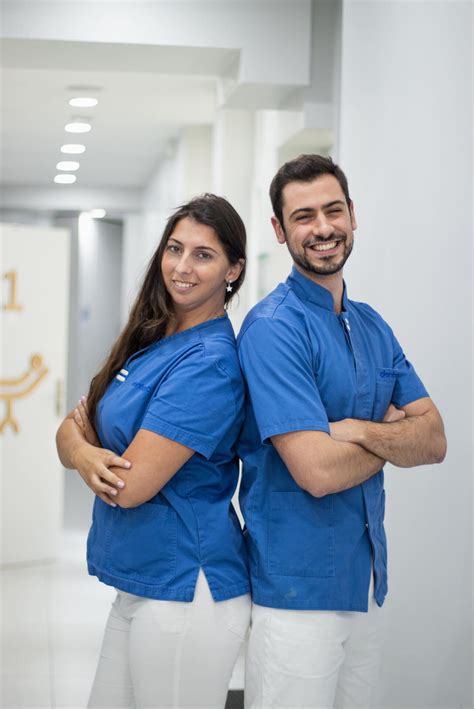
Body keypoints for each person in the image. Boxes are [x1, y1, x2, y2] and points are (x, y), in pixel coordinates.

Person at [237, 155, 447, 709]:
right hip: (295, 594)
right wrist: (389, 433)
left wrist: (354, 429)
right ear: (280, 230)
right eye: (303, 216)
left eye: (333, 210)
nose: (323, 227)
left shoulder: (373, 325)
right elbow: (317, 471)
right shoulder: (273, 329)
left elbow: (435, 440)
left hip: (366, 582)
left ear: (353, 215)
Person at [56, 194, 251, 709]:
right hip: (142, 584)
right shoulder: (151, 342)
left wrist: (86, 448)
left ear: (234, 269)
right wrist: (83, 453)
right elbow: (68, 431)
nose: (182, 267)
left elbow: (129, 485)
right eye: (174, 248)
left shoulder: (208, 364)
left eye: (203, 255)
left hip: (187, 586)